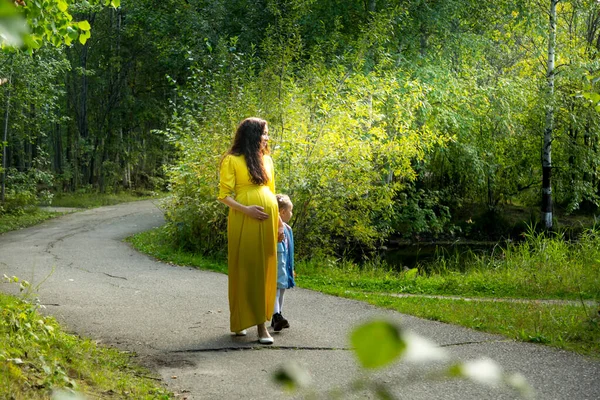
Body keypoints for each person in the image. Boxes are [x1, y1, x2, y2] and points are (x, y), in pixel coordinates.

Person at [217, 117, 282, 345]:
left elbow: (272, 193)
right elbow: (224, 196)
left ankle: (260, 321)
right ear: (253, 135)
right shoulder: (232, 160)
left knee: (264, 269)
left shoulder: (267, 160)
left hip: (268, 220)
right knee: (246, 268)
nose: (267, 137)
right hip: (244, 219)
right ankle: (254, 325)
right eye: (264, 133)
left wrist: (280, 225)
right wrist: (247, 210)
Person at [272, 194, 295, 332]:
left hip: (284, 265)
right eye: (291, 210)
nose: (292, 214)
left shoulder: (288, 229)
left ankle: (278, 314)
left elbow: (290, 250)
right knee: (275, 289)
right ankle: (276, 315)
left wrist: (291, 268)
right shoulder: (273, 227)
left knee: (282, 290)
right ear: (283, 212)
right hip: (276, 265)